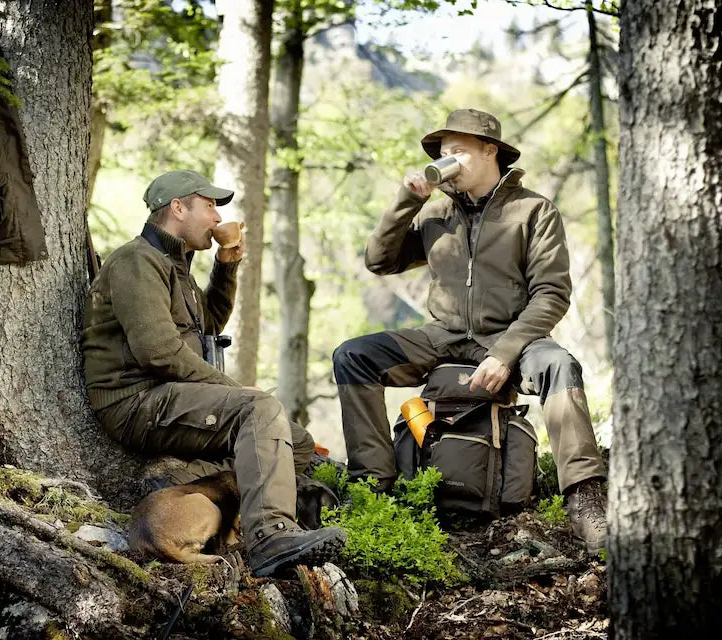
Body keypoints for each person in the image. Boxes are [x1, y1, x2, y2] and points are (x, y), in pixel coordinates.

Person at [333, 109, 607, 553]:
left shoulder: (533, 210)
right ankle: (374, 489)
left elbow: (552, 294)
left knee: (559, 364)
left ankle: (584, 498)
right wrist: (407, 201)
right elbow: (380, 261)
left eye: (458, 151)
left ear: (489, 151)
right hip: (442, 336)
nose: (448, 161)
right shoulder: (437, 211)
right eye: (443, 154)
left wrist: (506, 352)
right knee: (354, 355)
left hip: (511, 338)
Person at [82, 170, 346, 576]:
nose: (217, 218)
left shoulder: (176, 267)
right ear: (177, 208)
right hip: (136, 400)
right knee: (259, 410)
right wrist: (236, 390)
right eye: (209, 206)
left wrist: (226, 266)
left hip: (170, 395)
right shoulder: (137, 260)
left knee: (297, 443)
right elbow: (158, 352)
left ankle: (182, 482)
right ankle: (270, 536)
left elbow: (207, 326)